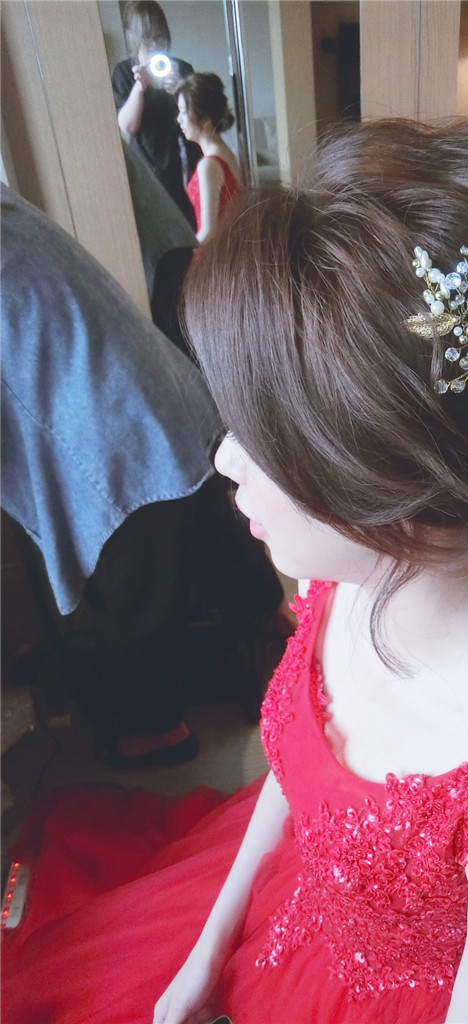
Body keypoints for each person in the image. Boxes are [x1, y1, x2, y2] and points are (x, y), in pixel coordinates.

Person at [1, 121, 468, 1024]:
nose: (225, 459)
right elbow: (296, 777)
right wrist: (207, 947)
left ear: (391, 482)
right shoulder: (347, 576)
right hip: (291, 922)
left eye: (264, 438)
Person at [0, 185, 285, 768]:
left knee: (130, 589)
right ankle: (276, 635)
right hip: (160, 387)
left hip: (110, 429)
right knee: (212, 526)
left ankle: (157, 731)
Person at [112, 1, 199, 227]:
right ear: (133, 35)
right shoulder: (124, 73)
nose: (155, 43)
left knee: (192, 228)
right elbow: (128, 126)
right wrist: (139, 88)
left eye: (160, 36)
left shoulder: (182, 69)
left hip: (186, 165)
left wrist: (181, 88)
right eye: (147, 37)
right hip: (149, 169)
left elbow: (199, 120)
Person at [176, 73, 242, 243]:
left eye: (183, 112)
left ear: (205, 118)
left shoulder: (209, 165)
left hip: (215, 251)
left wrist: (183, 254)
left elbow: (209, 231)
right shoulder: (226, 153)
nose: (179, 119)